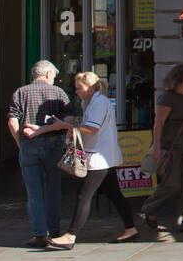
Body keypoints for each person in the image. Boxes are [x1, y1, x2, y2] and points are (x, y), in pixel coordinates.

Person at [50, 72, 139, 249]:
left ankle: (70, 235)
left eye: (79, 88)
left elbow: (92, 129)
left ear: (89, 87)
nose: (76, 92)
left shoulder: (99, 103)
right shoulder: (96, 102)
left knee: (84, 195)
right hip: (104, 156)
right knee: (114, 194)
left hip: (99, 158)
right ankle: (131, 229)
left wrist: (65, 126)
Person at [6, 60, 77, 248]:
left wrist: (20, 142)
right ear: (47, 74)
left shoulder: (20, 92)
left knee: (34, 191)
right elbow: (70, 118)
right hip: (53, 145)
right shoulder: (58, 93)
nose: (54, 79)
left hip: (29, 145)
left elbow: (12, 122)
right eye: (53, 76)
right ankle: (54, 231)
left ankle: (39, 234)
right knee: (53, 189)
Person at [140, 64, 183, 234]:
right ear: (181, 79)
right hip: (171, 147)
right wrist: (156, 146)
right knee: (172, 184)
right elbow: (158, 123)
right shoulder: (167, 97)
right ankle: (149, 208)